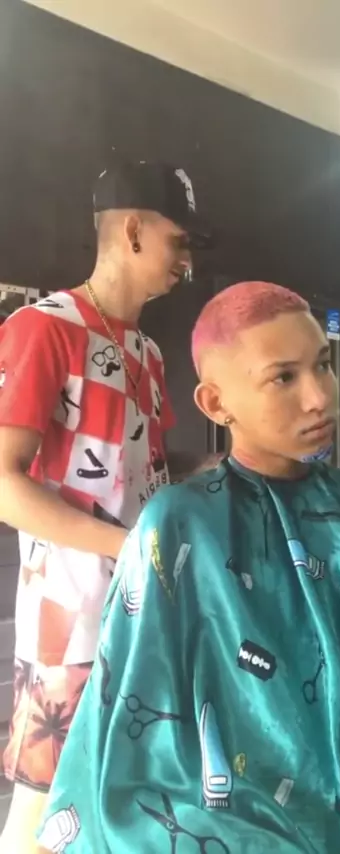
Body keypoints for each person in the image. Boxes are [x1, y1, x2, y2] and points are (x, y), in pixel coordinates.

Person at [38, 281, 340, 854]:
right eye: (284, 378)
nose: (320, 397)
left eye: (322, 365)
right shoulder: (178, 523)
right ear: (215, 404)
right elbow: (132, 704)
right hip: (242, 804)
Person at [0, 161, 209, 854]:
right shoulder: (42, 328)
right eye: (179, 240)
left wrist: (233, 461)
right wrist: (127, 546)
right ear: (132, 231)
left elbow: (148, 470)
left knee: (123, 807)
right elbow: (4, 484)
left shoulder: (148, 352)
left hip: (144, 614)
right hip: (68, 625)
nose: (187, 259)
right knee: (42, 816)